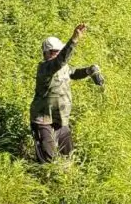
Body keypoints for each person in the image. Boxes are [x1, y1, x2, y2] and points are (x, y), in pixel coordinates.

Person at [29, 24, 104, 163]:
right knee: (48, 160)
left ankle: (68, 178)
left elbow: (73, 73)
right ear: (46, 53)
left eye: (59, 51)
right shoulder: (45, 68)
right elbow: (61, 60)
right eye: (54, 51)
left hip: (60, 119)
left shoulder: (62, 67)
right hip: (43, 121)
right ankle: (44, 180)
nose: (57, 54)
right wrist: (74, 40)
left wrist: (89, 71)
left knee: (68, 156)